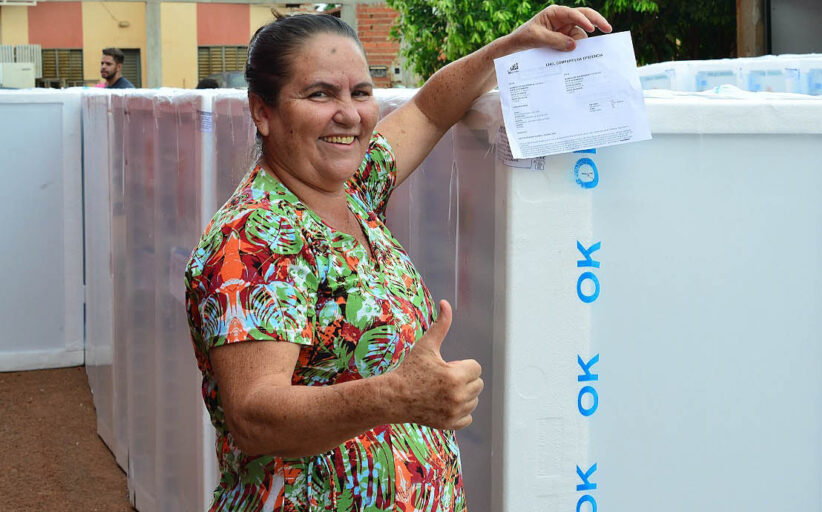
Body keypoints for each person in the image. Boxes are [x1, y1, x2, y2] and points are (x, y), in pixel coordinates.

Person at [185, 6, 611, 511]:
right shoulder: (252, 238)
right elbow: (255, 418)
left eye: (361, 93)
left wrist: (513, 45)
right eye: (320, 93)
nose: (349, 113)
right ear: (263, 111)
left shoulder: (351, 189)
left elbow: (431, 109)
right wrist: (397, 396)